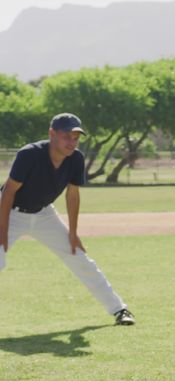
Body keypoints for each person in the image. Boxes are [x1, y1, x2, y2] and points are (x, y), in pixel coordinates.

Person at [0, 113, 135, 326]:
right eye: (66, 136)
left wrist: (73, 234)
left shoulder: (76, 159)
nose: (72, 142)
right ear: (52, 133)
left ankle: (120, 309)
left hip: (44, 214)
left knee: (79, 258)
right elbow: (8, 192)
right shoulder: (29, 154)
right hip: (9, 212)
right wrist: (3, 230)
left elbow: (72, 195)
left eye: (76, 137)